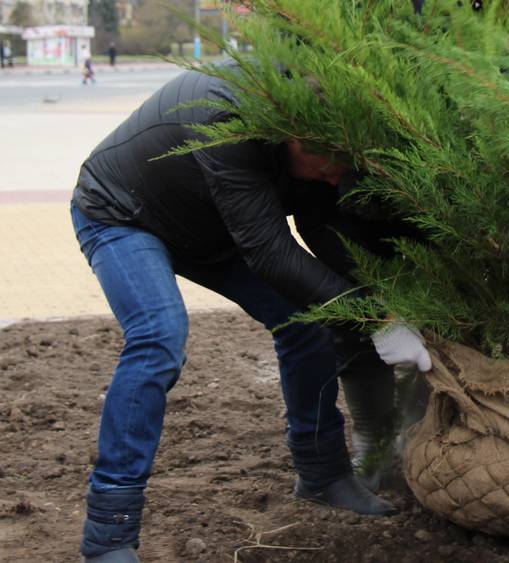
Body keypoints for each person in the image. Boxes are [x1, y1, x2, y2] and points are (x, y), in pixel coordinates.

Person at [71, 65, 418, 562]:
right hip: (123, 212)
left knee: (308, 324)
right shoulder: (226, 117)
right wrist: (373, 318)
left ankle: (323, 475)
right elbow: (272, 254)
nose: (334, 177)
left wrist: (385, 305)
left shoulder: (326, 140)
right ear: (293, 136)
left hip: (214, 224)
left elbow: (320, 232)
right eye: (326, 167)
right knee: (159, 338)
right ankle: (109, 534)